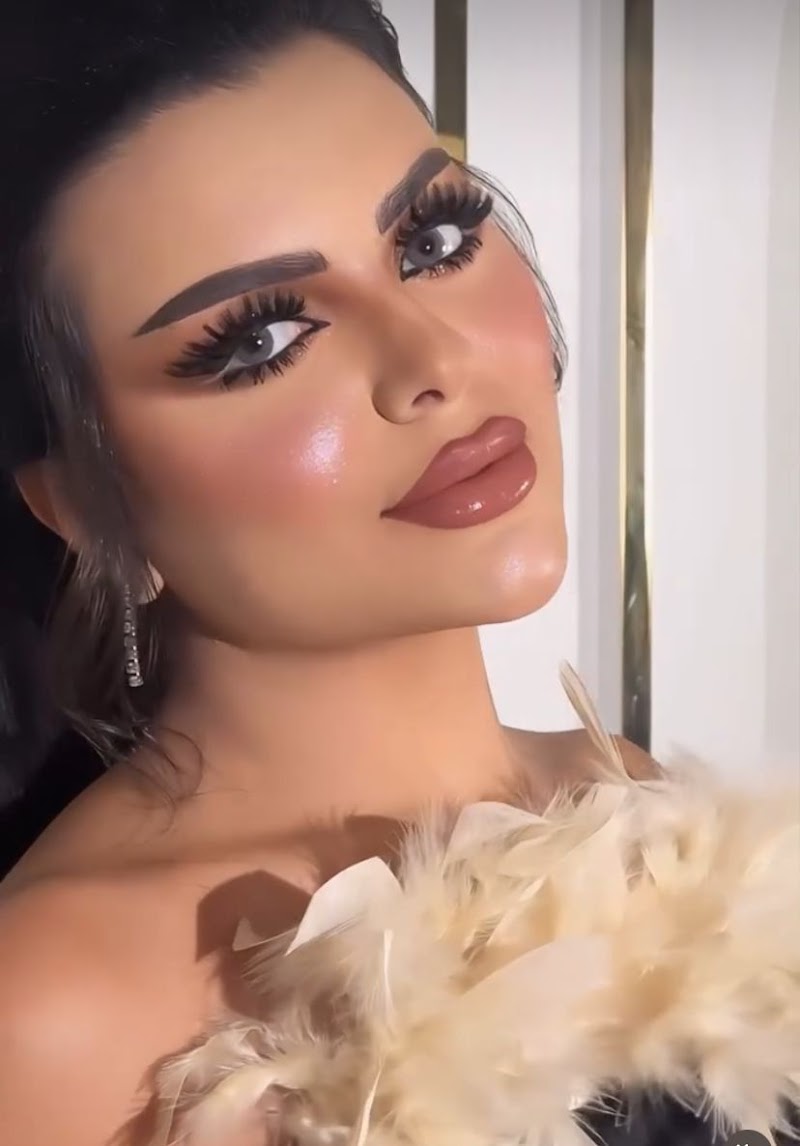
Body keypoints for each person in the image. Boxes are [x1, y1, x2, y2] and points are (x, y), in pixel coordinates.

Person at [0, 4, 796, 1145]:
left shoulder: (632, 804)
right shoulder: (53, 1015)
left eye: (432, 241)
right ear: (78, 500)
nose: (433, 359)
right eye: (260, 341)